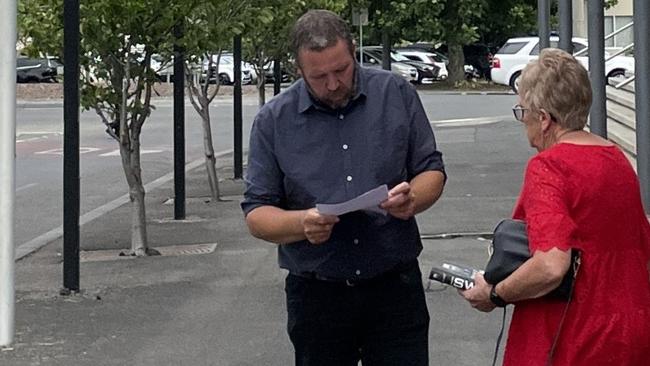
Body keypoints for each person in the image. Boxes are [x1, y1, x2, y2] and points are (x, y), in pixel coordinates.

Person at [240, 9, 446, 366]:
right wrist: (301, 223)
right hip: (318, 294)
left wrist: (413, 198)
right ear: (299, 70)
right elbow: (257, 213)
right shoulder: (273, 120)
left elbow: (431, 170)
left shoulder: (394, 93)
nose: (333, 84)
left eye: (341, 70)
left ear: (353, 51)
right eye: (318, 76)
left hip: (393, 285)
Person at [460, 48, 650, 365]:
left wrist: (495, 293)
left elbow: (551, 264)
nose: (524, 124)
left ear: (545, 119)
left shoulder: (550, 168)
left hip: (573, 334)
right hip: (630, 325)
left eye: (524, 112)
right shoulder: (615, 159)